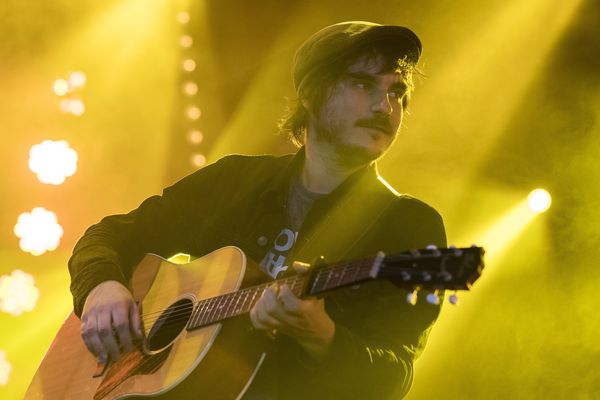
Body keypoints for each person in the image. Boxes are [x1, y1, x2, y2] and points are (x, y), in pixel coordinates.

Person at [69, 21, 446, 399]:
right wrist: (101, 287)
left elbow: (392, 377)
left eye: (397, 92)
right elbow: (107, 237)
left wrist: (321, 335)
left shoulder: (409, 227)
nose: (385, 107)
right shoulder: (234, 180)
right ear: (313, 95)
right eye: (364, 85)